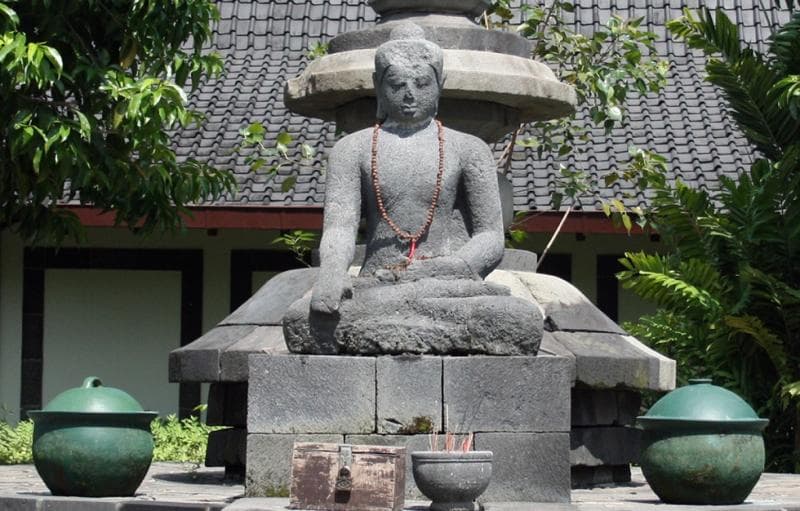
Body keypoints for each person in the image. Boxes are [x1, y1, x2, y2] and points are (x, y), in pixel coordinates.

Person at [283, 24, 542, 355]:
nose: (409, 94)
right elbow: (339, 226)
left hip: (446, 285)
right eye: (396, 84)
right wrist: (332, 277)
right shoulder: (353, 149)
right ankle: (412, 326)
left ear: (440, 85)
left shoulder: (468, 149)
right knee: (300, 320)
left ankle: (396, 328)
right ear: (378, 87)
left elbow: (491, 238)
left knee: (516, 318)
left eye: (421, 84)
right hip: (378, 284)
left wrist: (442, 268)